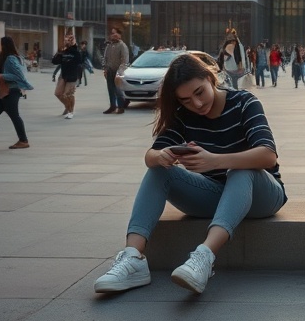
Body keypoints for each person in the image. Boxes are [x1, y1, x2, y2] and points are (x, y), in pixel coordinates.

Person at [94, 54, 286, 295]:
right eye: (185, 100)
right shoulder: (183, 115)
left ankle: (204, 257)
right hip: (215, 195)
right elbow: (150, 156)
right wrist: (161, 155)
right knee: (159, 172)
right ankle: (133, 258)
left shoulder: (243, 102)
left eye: (199, 92)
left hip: (262, 195)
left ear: (210, 78)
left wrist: (214, 160)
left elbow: (268, 155)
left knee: (240, 170)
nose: (196, 104)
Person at [51, 32, 84, 120]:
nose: (67, 41)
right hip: (63, 75)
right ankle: (67, 106)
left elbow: (79, 61)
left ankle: (71, 111)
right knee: (58, 93)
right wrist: (59, 52)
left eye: (69, 39)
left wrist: (72, 47)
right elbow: (54, 61)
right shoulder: (63, 51)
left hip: (72, 75)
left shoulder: (77, 51)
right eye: (65, 40)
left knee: (68, 94)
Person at [103, 27, 130, 114]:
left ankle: (121, 107)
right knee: (110, 89)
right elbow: (105, 58)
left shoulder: (122, 46)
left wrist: (119, 72)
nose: (113, 35)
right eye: (112, 33)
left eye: (115, 33)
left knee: (118, 90)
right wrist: (105, 69)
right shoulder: (109, 46)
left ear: (119, 35)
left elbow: (125, 60)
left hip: (118, 72)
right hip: (109, 71)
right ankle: (112, 106)